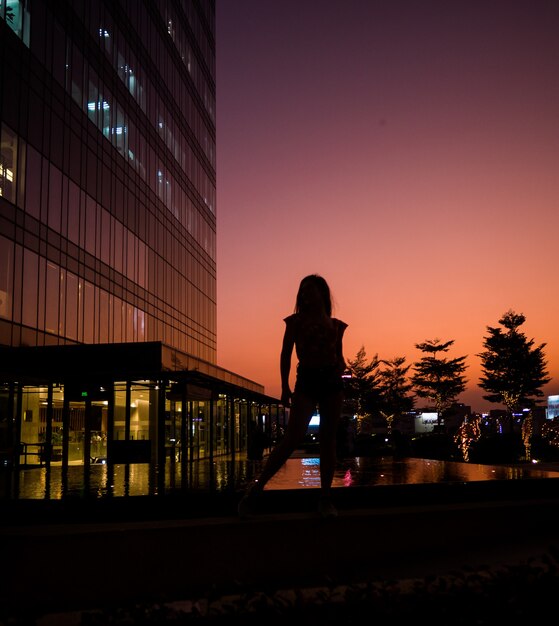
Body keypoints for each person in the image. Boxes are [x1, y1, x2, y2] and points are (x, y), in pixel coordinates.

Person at [238, 274, 348, 519]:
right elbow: (286, 354)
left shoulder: (336, 326)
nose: (305, 295)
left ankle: (325, 498)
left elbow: (339, 357)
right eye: (303, 292)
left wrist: (341, 365)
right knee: (292, 437)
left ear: (322, 293)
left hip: (332, 382)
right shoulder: (296, 322)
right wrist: (285, 386)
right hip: (307, 380)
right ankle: (255, 490)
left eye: (310, 290)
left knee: (328, 441)